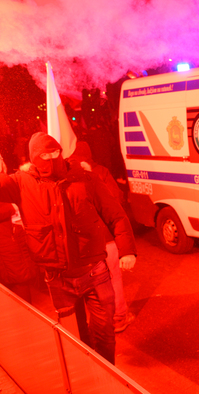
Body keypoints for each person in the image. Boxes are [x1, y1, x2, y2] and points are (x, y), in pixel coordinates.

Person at [0, 132, 137, 364]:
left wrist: (127, 250)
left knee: (104, 334)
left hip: (95, 272)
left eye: (55, 152)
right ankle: (85, 375)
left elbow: (116, 214)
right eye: (44, 155)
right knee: (75, 338)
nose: (51, 159)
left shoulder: (85, 179)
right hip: (58, 279)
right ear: (34, 158)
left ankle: (106, 375)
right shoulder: (21, 183)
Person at [70, 141, 135, 333]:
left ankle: (100, 319)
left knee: (92, 282)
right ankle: (118, 318)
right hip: (106, 237)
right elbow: (116, 199)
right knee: (114, 278)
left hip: (85, 242)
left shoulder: (67, 177)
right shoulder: (101, 172)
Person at [0, 202, 35, 303]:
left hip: (12, 256)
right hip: (10, 254)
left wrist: (12, 207)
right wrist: (12, 207)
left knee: (22, 301)